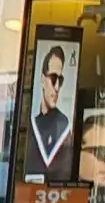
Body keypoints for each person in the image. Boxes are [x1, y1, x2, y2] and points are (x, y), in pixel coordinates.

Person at [30, 48, 73, 180]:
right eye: (53, 78)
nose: (57, 87)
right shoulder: (31, 123)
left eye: (61, 80)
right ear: (43, 79)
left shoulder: (63, 125)